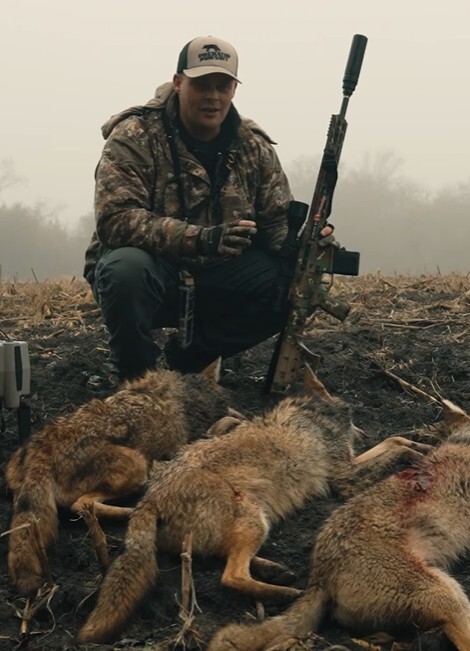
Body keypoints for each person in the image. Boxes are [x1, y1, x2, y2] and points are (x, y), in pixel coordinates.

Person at [83, 35, 334, 381]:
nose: (213, 96)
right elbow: (116, 220)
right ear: (178, 83)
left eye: (223, 86)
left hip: (219, 275)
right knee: (124, 270)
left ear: (234, 89)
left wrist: (307, 244)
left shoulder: (253, 146)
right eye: (202, 85)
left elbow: (275, 224)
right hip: (155, 273)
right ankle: (135, 379)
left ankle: (188, 362)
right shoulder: (135, 134)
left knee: (294, 280)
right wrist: (200, 239)